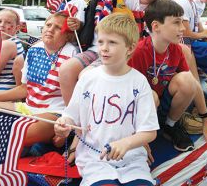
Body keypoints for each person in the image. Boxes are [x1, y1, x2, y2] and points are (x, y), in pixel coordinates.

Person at [55, 13, 159, 186]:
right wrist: (63, 125)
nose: (104, 48)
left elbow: (149, 131)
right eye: (101, 41)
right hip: (95, 160)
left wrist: (127, 143)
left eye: (112, 42)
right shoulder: (88, 79)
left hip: (132, 161)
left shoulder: (139, 82)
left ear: (130, 48)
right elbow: (70, 117)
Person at [59, 0, 158, 105]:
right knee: (66, 70)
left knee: (87, 76)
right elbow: (92, 26)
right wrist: (78, 25)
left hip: (122, 52)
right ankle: (74, 120)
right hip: (95, 48)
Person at [128, 0, 207, 153]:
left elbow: (193, 85)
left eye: (182, 22)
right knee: (151, 95)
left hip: (163, 105)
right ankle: (142, 135)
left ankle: (170, 125)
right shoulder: (139, 52)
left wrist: (206, 122)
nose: (182, 28)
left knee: (187, 80)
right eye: (176, 22)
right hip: (141, 110)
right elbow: (128, 95)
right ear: (156, 26)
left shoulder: (176, 49)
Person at [0, 12, 77, 146]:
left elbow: (77, 98)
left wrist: (68, 125)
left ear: (67, 35)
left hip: (55, 112)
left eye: (57, 27)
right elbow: (25, 89)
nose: (50, 29)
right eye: (48, 25)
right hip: (28, 108)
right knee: (13, 135)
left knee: (17, 134)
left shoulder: (73, 54)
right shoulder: (34, 50)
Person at [0, 9, 24, 90]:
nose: (2, 25)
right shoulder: (8, 42)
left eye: (8, 22)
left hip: (2, 91)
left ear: (17, 28)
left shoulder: (8, 44)